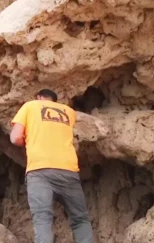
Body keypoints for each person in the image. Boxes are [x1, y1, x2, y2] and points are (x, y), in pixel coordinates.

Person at [9, 89, 94, 243]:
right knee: (80, 219)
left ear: (39, 97)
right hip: (68, 169)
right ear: (54, 100)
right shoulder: (69, 112)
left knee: (42, 219)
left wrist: (26, 141)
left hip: (39, 170)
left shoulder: (30, 106)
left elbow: (15, 138)